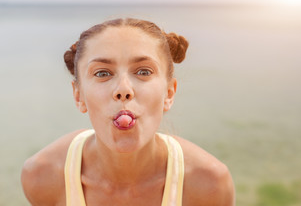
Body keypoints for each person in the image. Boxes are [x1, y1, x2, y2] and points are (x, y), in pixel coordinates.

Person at [21, 18, 235, 205]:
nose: (123, 89)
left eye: (143, 71)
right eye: (103, 73)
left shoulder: (209, 185)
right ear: (79, 96)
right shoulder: (42, 176)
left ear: (169, 93)